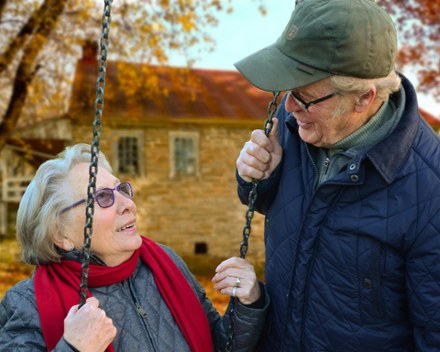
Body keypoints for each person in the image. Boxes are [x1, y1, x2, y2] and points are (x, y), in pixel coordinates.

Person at [234, 0, 440, 350]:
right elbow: (277, 207)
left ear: (363, 98)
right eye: (288, 92)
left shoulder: (430, 190)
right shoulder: (294, 128)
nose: (289, 107)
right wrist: (255, 178)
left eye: (305, 97)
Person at [0, 143, 268, 352]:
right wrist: (73, 348)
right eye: (103, 197)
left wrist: (247, 303)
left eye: (121, 189)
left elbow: (219, 345)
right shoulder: (27, 303)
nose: (127, 203)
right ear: (61, 235)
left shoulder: (165, 263)